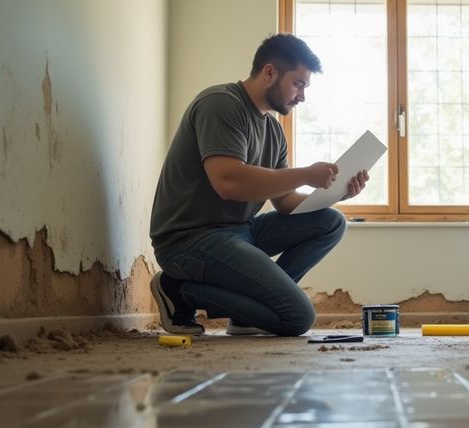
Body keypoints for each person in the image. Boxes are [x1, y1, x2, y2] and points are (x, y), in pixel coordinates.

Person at [149, 33, 369, 337]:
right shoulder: (220, 104)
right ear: (269, 72)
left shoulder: (273, 131)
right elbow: (228, 182)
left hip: (241, 231)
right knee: (298, 317)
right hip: (190, 240)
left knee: (331, 222)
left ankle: (247, 314)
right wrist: (306, 174)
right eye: (298, 84)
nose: (302, 96)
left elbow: (285, 202)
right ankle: (176, 289)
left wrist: (337, 192)